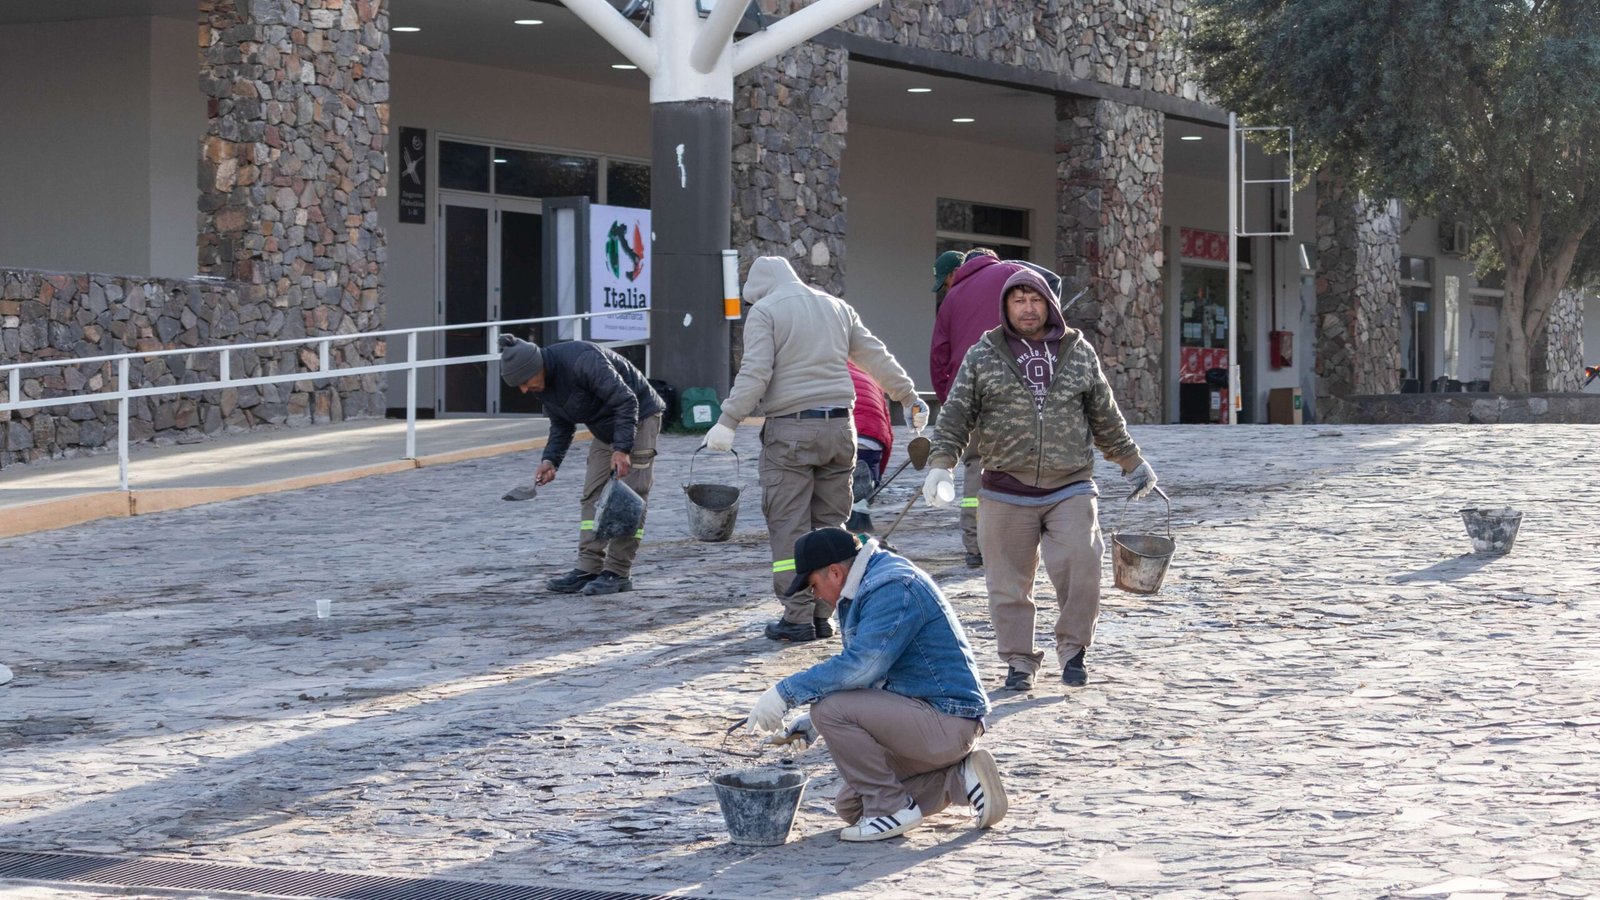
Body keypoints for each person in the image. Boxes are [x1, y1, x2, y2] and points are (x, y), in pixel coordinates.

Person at [923, 268, 1158, 691]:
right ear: (1006, 307)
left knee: (1082, 567)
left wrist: (1132, 462)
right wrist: (942, 463)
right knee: (1007, 585)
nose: (1028, 309)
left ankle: (1073, 651)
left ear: (1049, 304)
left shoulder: (1077, 350)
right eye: (1019, 301)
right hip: (1003, 488)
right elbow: (956, 414)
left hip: (1069, 485)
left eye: (1035, 300)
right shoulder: (984, 353)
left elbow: (1105, 416)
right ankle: (1019, 662)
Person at [705, 256, 928, 644]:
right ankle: (825, 614)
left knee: (789, 523)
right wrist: (909, 396)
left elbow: (755, 373)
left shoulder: (766, 312)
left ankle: (796, 618)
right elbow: (875, 355)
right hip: (843, 429)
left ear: (759, 291)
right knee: (831, 526)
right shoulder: (836, 306)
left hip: (790, 432)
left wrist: (727, 420)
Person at [744, 527, 1007, 842]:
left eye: (813, 587)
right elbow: (872, 675)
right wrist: (811, 723)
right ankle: (960, 779)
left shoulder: (892, 586)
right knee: (853, 807)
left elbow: (861, 667)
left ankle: (892, 810)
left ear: (835, 573)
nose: (814, 597)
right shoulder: (868, 583)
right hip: (928, 720)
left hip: (947, 722)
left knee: (829, 710)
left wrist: (784, 694)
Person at [929, 249, 1067, 567]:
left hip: (969, 395)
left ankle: (976, 546)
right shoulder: (1013, 274)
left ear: (957, 271)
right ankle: (1017, 544)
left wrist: (950, 399)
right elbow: (1052, 288)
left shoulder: (952, 298)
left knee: (976, 466)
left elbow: (938, 355)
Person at [500, 333, 663, 596]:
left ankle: (618, 572)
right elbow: (561, 423)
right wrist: (550, 460)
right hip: (604, 428)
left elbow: (626, 401)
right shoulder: (542, 384)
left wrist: (622, 449)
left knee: (629, 497)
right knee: (592, 495)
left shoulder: (583, 361)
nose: (523, 390)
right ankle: (588, 567)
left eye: (524, 382)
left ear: (537, 368)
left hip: (640, 417)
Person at [845, 361, 893, 534]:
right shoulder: (869, 376)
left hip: (841, 430)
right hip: (873, 436)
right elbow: (887, 429)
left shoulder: (823, 370)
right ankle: (860, 518)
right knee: (863, 486)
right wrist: (877, 475)